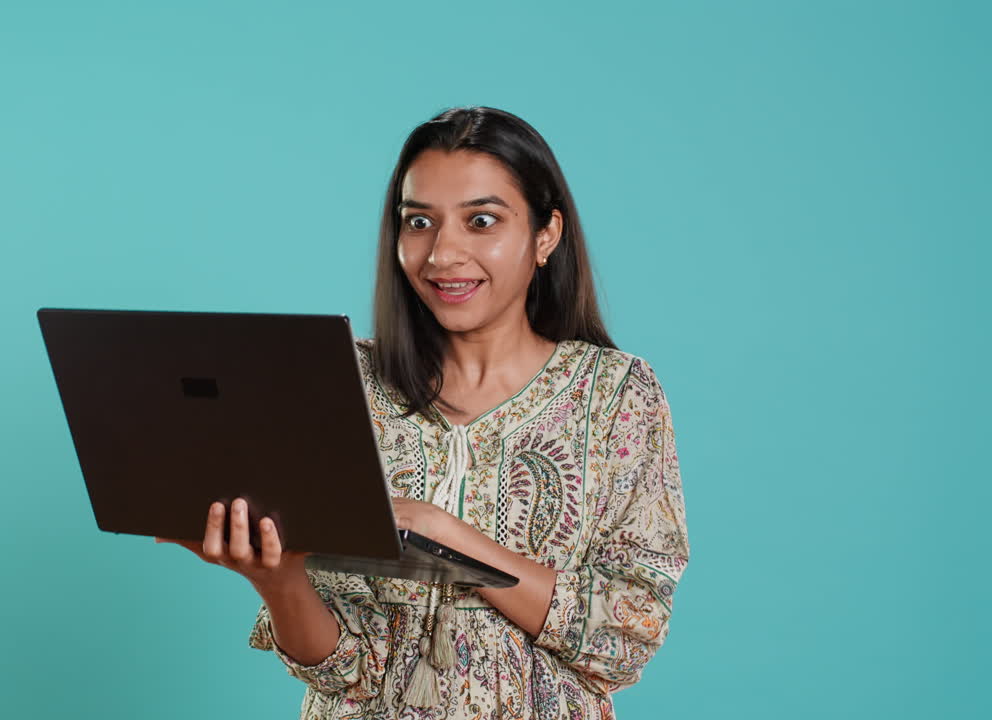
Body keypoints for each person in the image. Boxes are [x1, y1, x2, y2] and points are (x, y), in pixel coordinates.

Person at [156, 106, 691, 720]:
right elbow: (343, 670)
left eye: (481, 220)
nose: (443, 254)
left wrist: (446, 536)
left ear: (546, 235)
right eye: (419, 222)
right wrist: (278, 579)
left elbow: (625, 636)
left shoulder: (618, 394)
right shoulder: (339, 383)